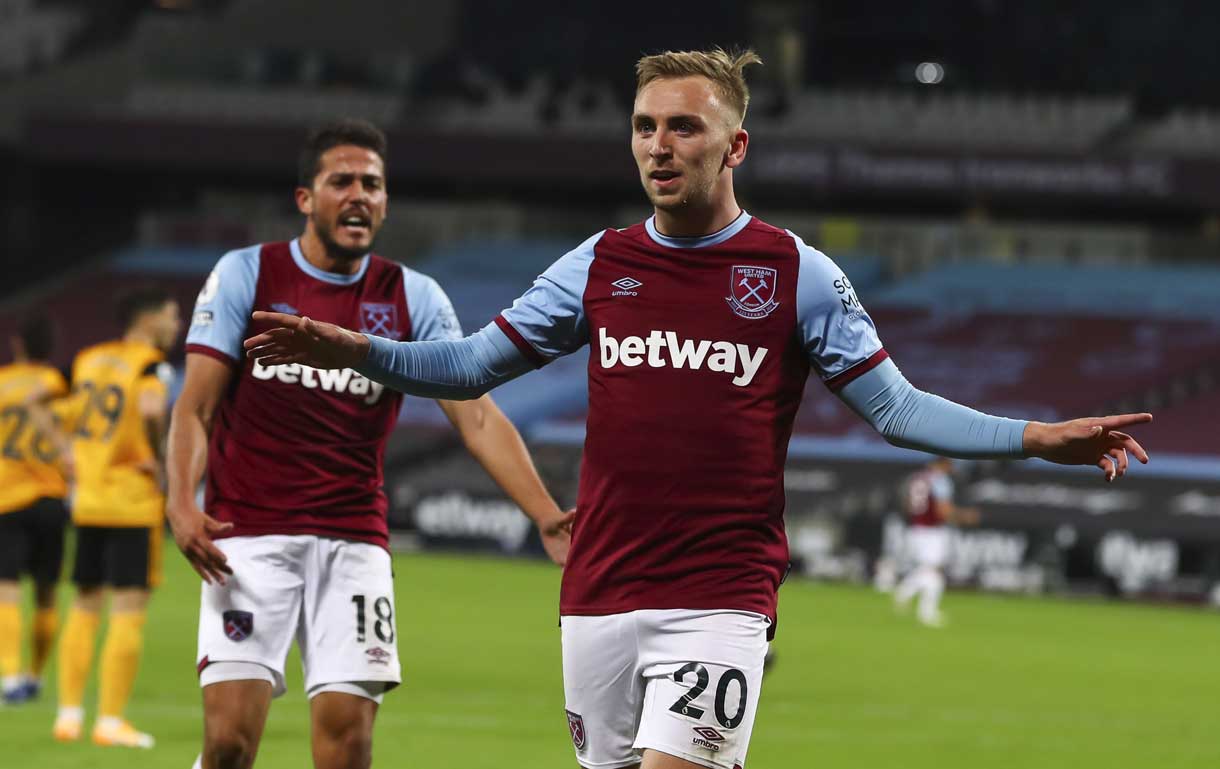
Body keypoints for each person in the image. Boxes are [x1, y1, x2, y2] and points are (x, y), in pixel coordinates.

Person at [243, 50, 1151, 769]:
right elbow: (473, 363)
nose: (658, 145)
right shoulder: (597, 264)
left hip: (720, 595)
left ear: (735, 146)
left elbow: (899, 412)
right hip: (597, 591)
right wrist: (357, 347)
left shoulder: (797, 274)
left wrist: (1036, 438)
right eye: (644, 126)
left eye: (684, 127)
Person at [167, 119, 570, 769]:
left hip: (354, 541)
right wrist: (180, 504)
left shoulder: (413, 297)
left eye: (373, 185)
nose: (359, 195)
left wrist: (546, 512)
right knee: (229, 743)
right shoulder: (249, 273)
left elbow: (476, 416)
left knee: (348, 747)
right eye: (342, 181)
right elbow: (197, 405)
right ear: (306, 198)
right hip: (247, 536)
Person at [47, 288, 180, 747]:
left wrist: (66, 453)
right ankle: (109, 720)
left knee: (85, 605)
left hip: (88, 499)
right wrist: (162, 461)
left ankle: (67, 715)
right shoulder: (150, 364)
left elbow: (47, 409)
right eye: (171, 315)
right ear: (149, 320)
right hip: (131, 499)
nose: (176, 325)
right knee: (128, 608)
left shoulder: (88, 359)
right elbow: (149, 408)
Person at [0, 316, 71, 704]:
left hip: (6, 496)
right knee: (46, 593)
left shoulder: (2, 383)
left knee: (6, 588)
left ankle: (10, 677)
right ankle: (35, 675)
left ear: (18, 344)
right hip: (50, 495)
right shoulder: (58, 387)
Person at [892, 457, 977, 627]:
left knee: (927, 569)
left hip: (916, 528)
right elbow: (942, 510)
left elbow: (908, 505)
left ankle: (904, 593)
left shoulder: (918, 477)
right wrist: (964, 516)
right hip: (932, 531)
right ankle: (926, 612)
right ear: (944, 464)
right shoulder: (940, 480)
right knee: (934, 571)